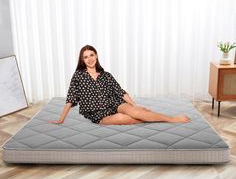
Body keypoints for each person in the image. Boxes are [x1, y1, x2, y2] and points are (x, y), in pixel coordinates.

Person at [48, 45, 191, 125]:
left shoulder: (106, 75)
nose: (89, 59)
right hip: (97, 112)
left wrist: (134, 106)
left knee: (136, 112)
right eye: (85, 57)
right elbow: (71, 98)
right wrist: (61, 119)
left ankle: (172, 119)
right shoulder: (78, 75)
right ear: (82, 60)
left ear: (96, 55)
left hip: (114, 103)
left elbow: (121, 92)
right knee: (126, 119)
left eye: (91, 55)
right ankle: (150, 116)